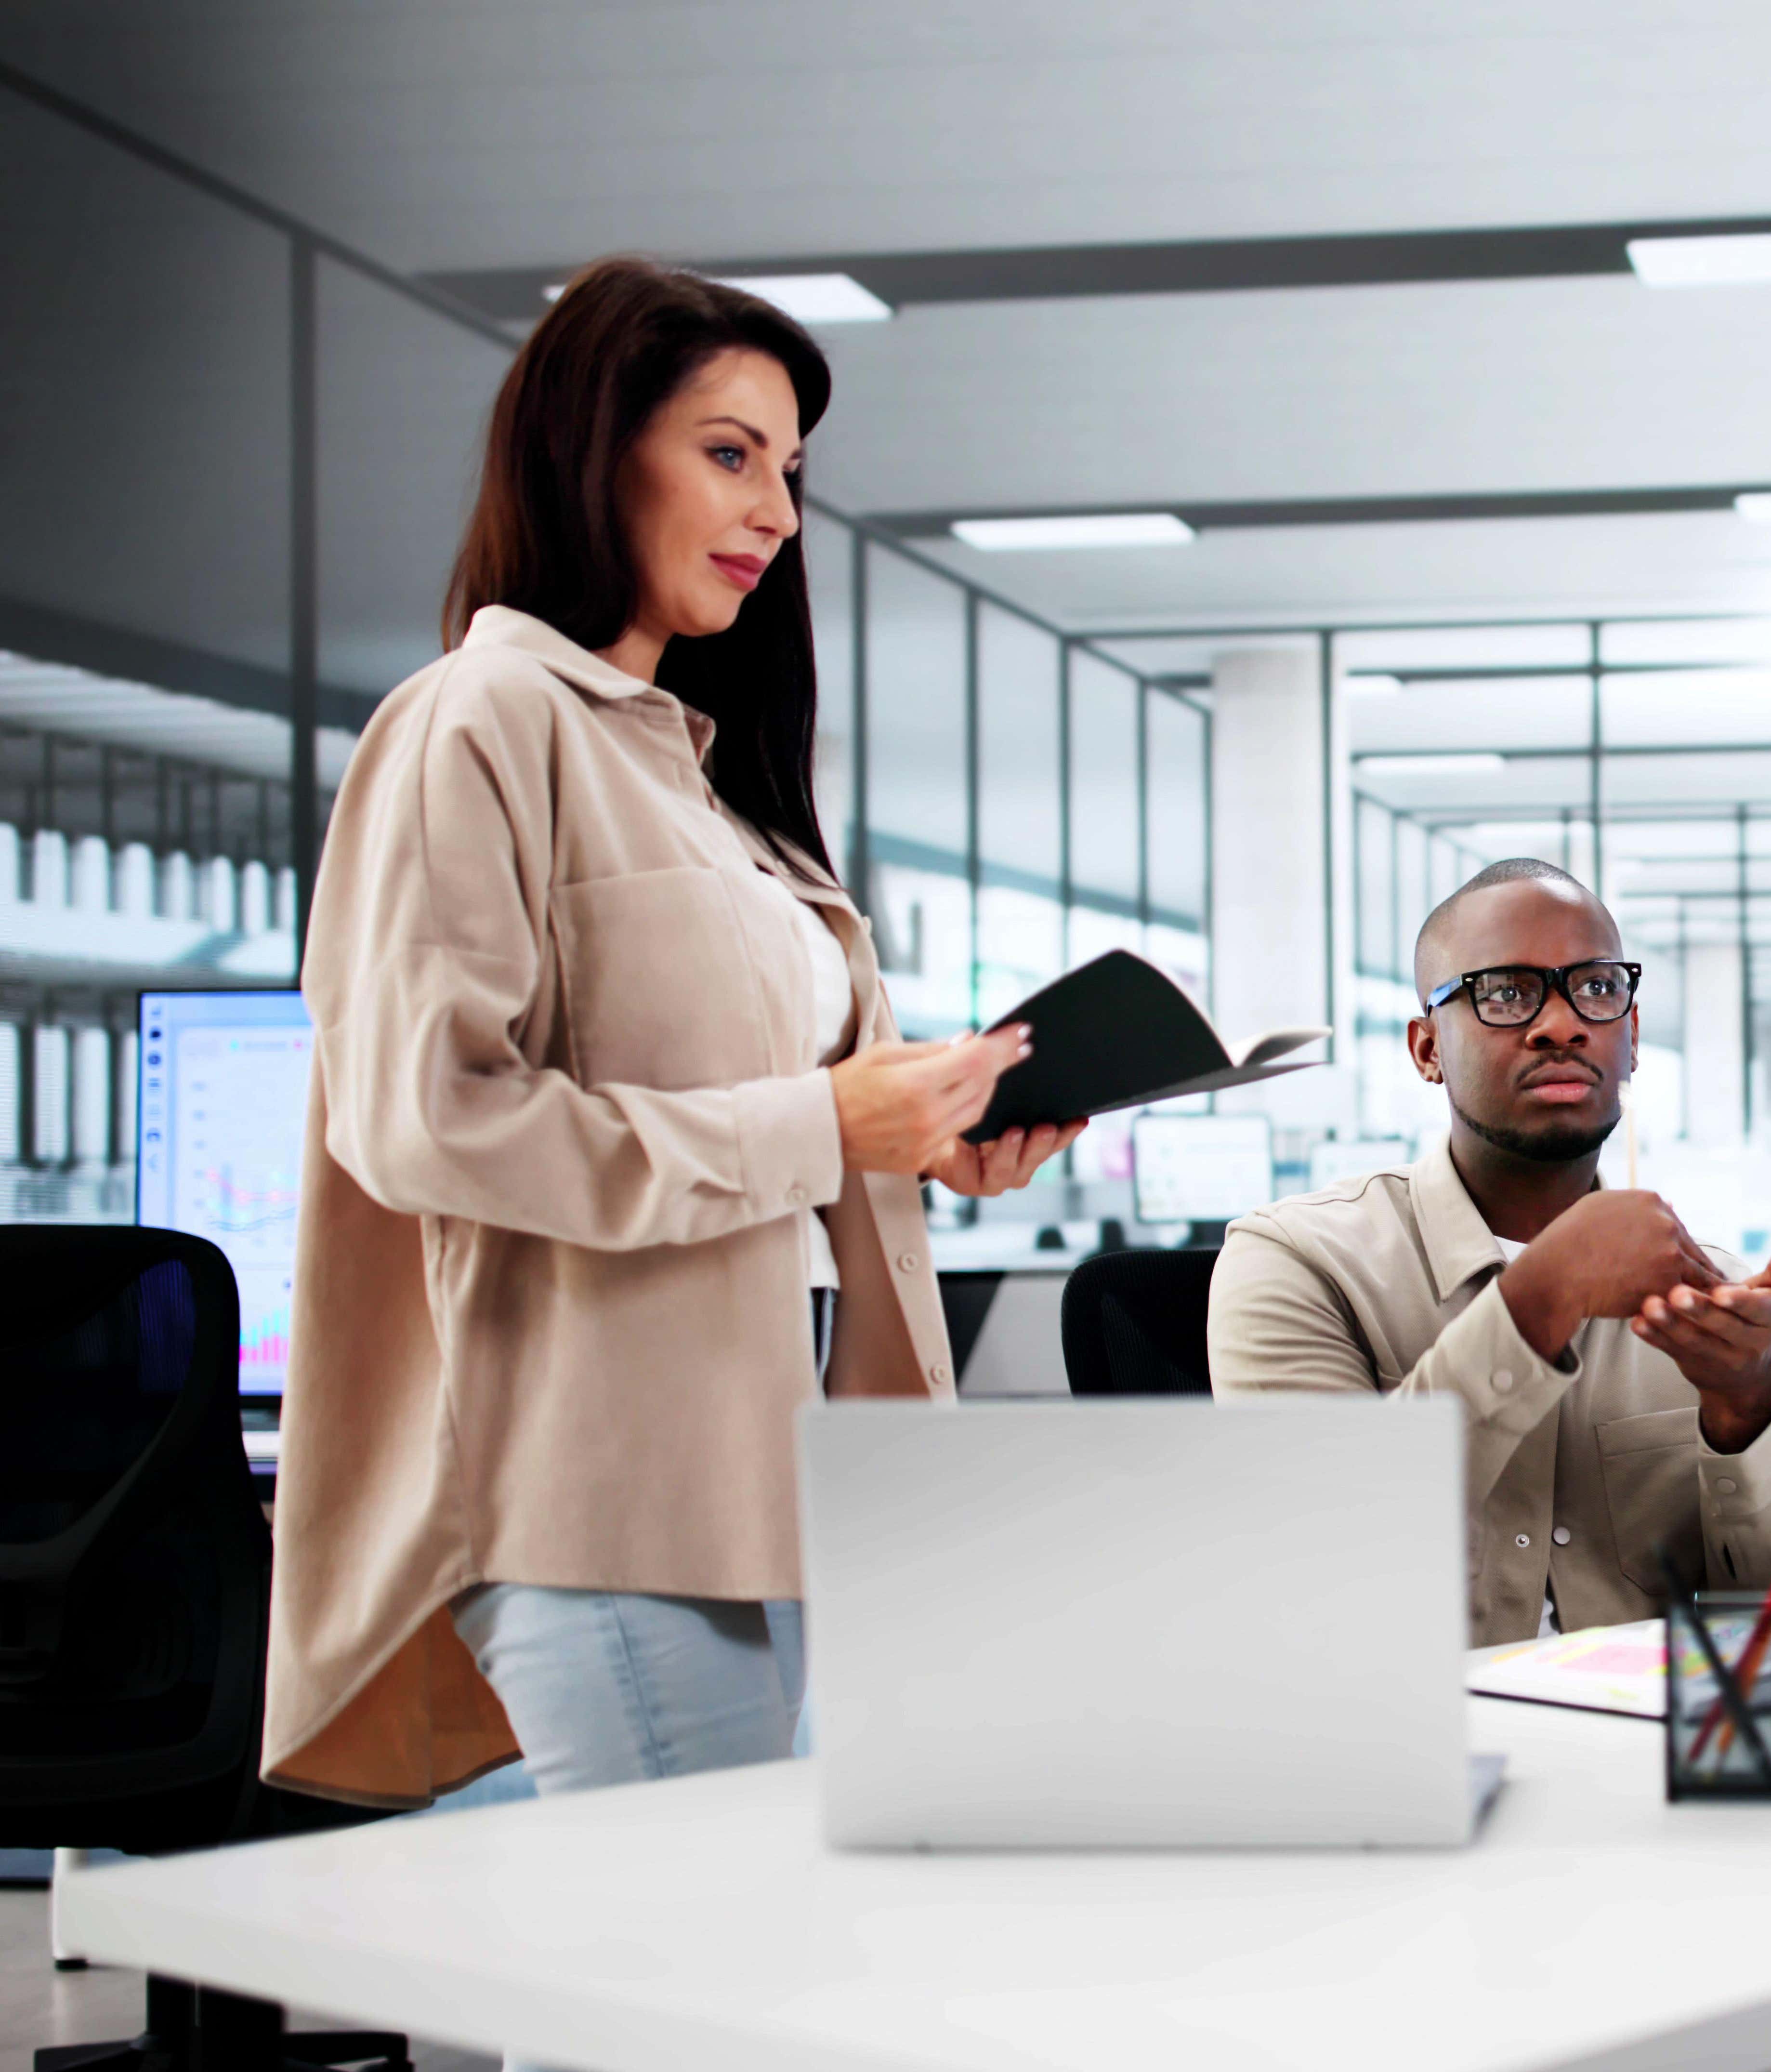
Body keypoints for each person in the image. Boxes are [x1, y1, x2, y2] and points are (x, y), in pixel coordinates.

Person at [263, 260, 1084, 1829]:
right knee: (668, 2000)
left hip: (775, 1488)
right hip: (597, 1498)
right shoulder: (477, 721)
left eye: (789, 470)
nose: (776, 509)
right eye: (729, 452)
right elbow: (429, 1119)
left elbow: (788, 1121)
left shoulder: (710, 785)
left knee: (657, 2002)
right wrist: (824, 1127)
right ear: (591, 447)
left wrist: (935, 1133)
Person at [1207, 858, 1771, 1642]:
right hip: (1411, 1748)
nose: (1562, 1022)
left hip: (1637, 1747)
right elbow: (1328, 1560)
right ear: (1426, 1048)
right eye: (1505, 992)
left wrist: (1745, 1406)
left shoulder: (1712, 1299)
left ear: (1633, 1037)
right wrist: (1546, 1292)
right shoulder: (1294, 1260)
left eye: (1598, 987)